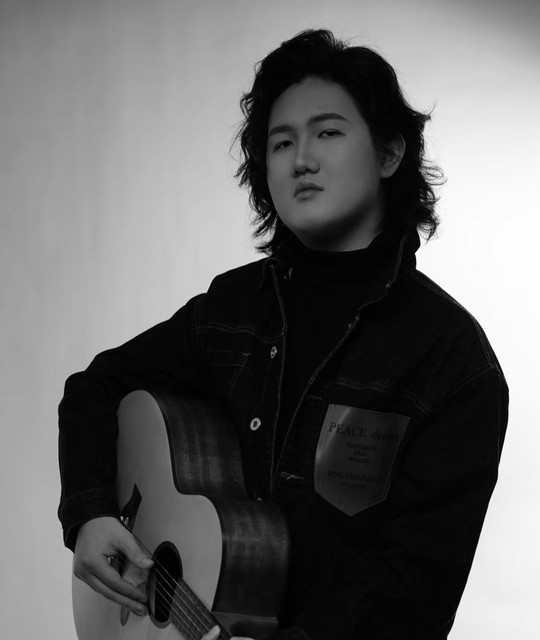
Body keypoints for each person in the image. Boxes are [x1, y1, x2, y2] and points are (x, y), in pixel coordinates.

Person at [58, 29, 509, 640]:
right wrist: (89, 514)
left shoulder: (452, 360)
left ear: (388, 154)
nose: (301, 160)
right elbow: (95, 388)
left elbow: (415, 591)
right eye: (281, 142)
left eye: (328, 133)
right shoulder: (230, 310)